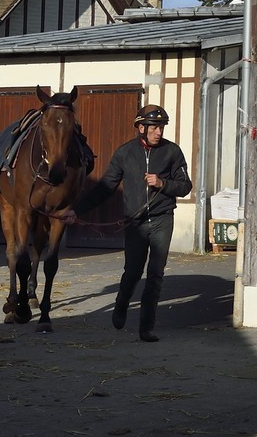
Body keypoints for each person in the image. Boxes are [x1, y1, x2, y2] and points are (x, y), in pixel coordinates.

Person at [73, 104, 192, 341]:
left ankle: (146, 328)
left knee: (156, 274)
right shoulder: (124, 153)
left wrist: (162, 184)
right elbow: (106, 187)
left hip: (162, 220)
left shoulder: (172, 152)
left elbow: (186, 186)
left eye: (161, 127)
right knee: (133, 272)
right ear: (140, 127)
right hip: (135, 223)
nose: (159, 132)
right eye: (154, 127)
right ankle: (121, 304)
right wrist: (76, 210)